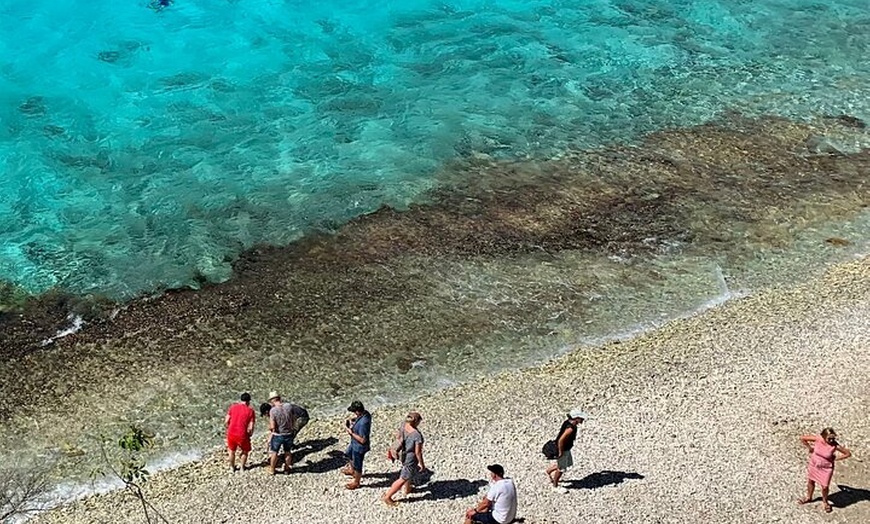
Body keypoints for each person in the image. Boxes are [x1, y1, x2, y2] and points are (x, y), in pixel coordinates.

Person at [798, 427, 852, 513]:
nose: (831, 440)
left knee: (825, 486)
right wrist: (810, 448)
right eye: (829, 438)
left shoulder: (834, 445)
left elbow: (847, 453)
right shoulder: (818, 439)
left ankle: (825, 501)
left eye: (833, 438)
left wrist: (836, 458)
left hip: (826, 468)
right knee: (811, 481)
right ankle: (809, 497)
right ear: (823, 436)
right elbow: (803, 438)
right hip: (814, 464)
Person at [382, 411, 425, 506]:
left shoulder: (404, 425)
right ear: (416, 422)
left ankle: (407, 489)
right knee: (403, 478)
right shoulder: (417, 436)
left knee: (408, 473)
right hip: (410, 458)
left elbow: (398, 436)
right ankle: (387, 497)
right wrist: (422, 464)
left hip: (402, 454)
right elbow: (418, 452)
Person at [545, 408, 586, 494]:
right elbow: (561, 440)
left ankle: (549, 471)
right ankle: (555, 486)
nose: (582, 419)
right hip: (564, 450)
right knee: (562, 469)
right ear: (576, 418)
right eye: (580, 418)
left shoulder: (568, 422)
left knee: (568, 463)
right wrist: (560, 452)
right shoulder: (570, 428)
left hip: (567, 449)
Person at [343, 400, 372, 490]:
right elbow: (360, 418)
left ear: (357, 411)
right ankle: (352, 470)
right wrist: (355, 420)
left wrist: (351, 433)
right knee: (348, 454)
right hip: (354, 444)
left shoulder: (364, 423)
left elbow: (363, 440)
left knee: (358, 464)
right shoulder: (366, 413)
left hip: (359, 447)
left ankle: (357, 482)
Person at [225, 392, 255, 472]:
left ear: (241, 400)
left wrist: (229, 427)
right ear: (248, 401)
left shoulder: (233, 407)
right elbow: (251, 427)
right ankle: (242, 467)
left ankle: (232, 468)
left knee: (231, 451)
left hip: (231, 432)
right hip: (242, 434)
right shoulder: (250, 411)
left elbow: (226, 420)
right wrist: (250, 434)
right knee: (245, 451)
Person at [267, 391, 296, 474]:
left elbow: (272, 426)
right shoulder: (289, 406)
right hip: (289, 433)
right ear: (279, 398)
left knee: (275, 452)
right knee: (287, 452)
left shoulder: (273, 410)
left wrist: (269, 428)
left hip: (278, 434)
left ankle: (272, 469)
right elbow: (293, 419)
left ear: (272, 401)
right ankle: (287, 469)